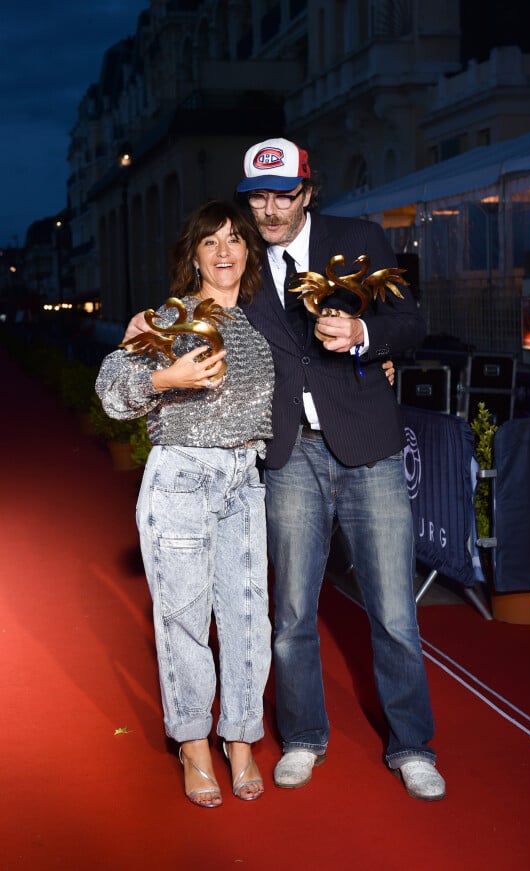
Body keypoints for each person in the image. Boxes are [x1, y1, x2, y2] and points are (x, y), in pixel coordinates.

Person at [233, 138, 446, 801]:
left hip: (369, 447)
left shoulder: (358, 240)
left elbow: (411, 321)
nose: (270, 210)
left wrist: (363, 337)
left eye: (283, 195)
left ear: (308, 190)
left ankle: (412, 744)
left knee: (393, 611)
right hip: (291, 453)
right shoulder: (236, 258)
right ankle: (302, 736)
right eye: (258, 196)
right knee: (292, 612)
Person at [96, 201, 275, 808]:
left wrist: (372, 361)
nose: (224, 252)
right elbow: (112, 392)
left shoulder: (256, 325)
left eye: (234, 240)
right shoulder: (171, 316)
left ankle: (242, 738)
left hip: (245, 481)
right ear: (193, 256)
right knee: (184, 621)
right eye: (210, 243)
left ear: (250, 251)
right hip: (181, 480)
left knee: (250, 621)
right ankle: (194, 742)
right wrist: (161, 381)